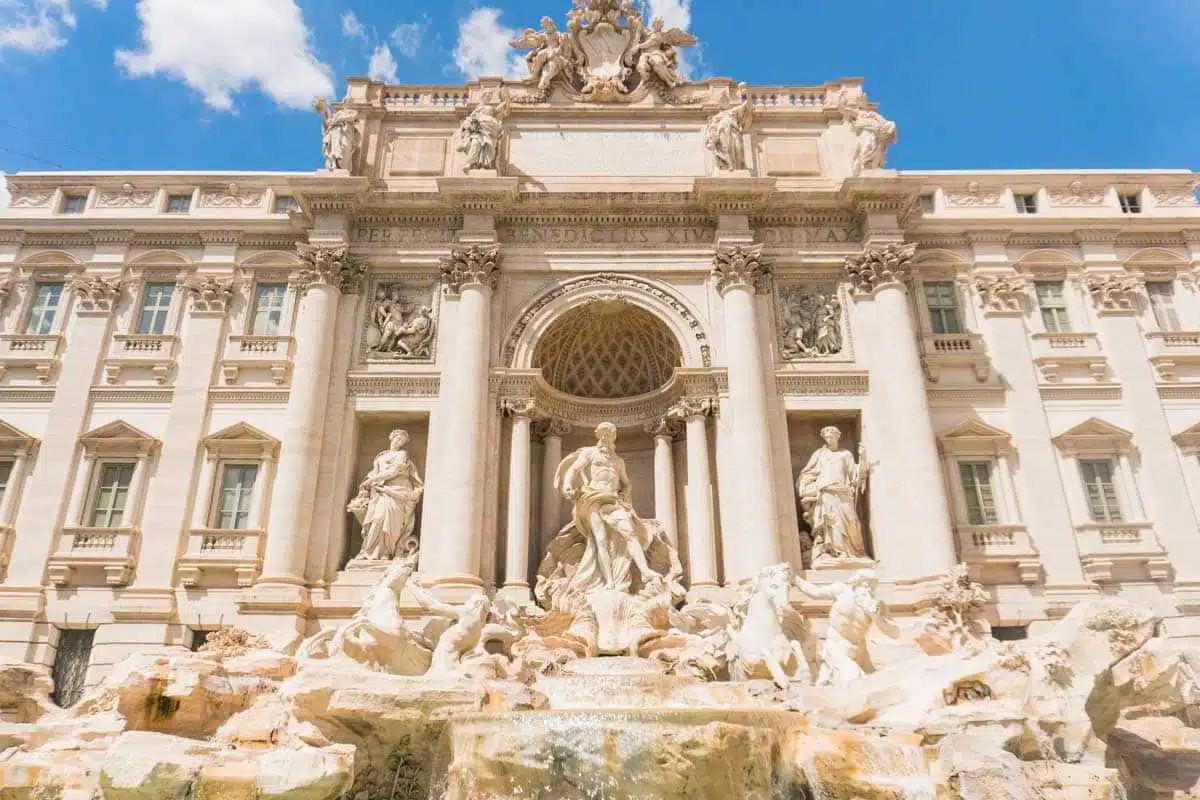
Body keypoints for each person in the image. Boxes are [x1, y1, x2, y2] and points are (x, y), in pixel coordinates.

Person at [554, 422, 659, 594]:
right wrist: (567, 484)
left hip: (612, 500)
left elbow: (626, 482)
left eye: (609, 435)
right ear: (598, 436)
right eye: (603, 434)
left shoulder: (618, 461)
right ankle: (609, 582)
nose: (606, 438)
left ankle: (645, 571)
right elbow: (574, 469)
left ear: (613, 438)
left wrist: (626, 493)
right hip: (592, 498)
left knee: (630, 533)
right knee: (600, 540)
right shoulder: (590, 453)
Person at [794, 569, 899, 687]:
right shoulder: (841, 591)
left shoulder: (877, 605)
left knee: (872, 684)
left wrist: (877, 617)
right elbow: (815, 592)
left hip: (859, 650)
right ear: (856, 582)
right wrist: (794, 578)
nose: (867, 588)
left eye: (871, 586)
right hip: (837, 644)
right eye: (864, 584)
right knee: (853, 678)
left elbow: (894, 633)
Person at [796, 426, 868, 565]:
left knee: (851, 520)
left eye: (832, 436)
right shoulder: (820, 454)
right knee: (832, 523)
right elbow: (808, 473)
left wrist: (863, 457)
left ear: (838, 436)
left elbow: (855, 475)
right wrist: (808, 486)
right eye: (827, 437)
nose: (829, 439)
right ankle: (836, 552)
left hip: (843, 491)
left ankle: (854, 552)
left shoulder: (846, 454)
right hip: (826, 492)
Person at [348, 429, 424, 561]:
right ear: (391, 437)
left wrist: (373, 480)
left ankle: (385, 553)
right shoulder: (380, 456)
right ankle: (369, 551)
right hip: (379, 491)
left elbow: (393, 471)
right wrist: (369, 480)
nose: (399, 442)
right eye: (398, 438)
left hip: (397, 490)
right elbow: (374, 472)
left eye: (402, 441)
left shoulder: (402, 454)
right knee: (377, 518)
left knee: (391, 523)